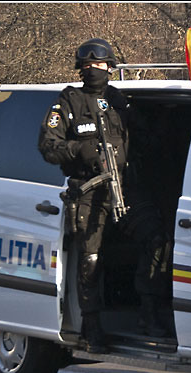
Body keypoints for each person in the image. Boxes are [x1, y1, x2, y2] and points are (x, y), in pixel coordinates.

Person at [38, 38, 129, 354]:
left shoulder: (119, 101)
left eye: (99, 64)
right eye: (88, 65)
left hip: (122, 190)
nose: (93, 69)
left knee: (141, 246)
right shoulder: (69, 101)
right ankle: (92, 329)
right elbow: (48, 146)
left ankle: (146, 314)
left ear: (110, 67)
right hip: (88, 192)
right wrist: (80, 150)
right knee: (91, 259)